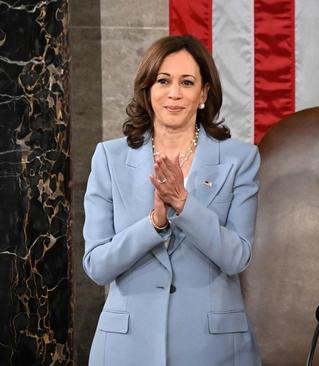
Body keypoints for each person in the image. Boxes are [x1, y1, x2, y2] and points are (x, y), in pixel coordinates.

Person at [83, 35, 261, 365]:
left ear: (204, 93)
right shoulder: (108, 157)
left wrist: (184, 205)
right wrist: (154, 224)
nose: (174, 93)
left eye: (187, 82)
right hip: (127, 348)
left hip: (214, 349)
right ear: (148, 90)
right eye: (163, 81)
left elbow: (237, 257)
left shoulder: (241, 159)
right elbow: (97, 266)